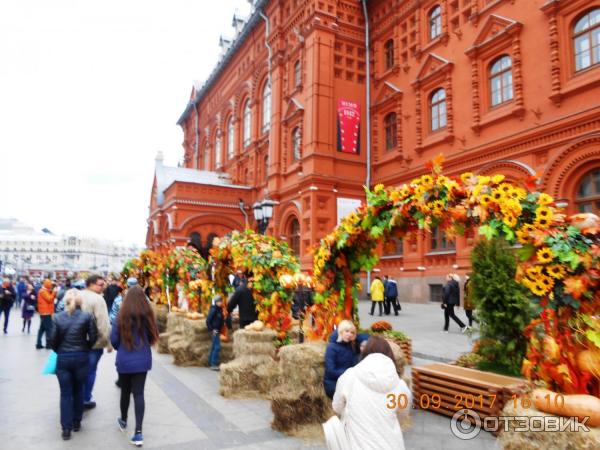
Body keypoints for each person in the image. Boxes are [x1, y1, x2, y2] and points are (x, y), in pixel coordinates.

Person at [330, 336, 412, 450]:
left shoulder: (349, 376)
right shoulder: (400, 386)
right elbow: (402, 415)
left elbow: (337, 407)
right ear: (390, 356)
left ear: (364, 353)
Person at [47, 289, 98, 441]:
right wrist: (85, 347)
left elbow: (52, 341)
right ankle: (77, 421)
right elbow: (94, 337)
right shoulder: (87, 316)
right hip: (81, 357)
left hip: (63, 358)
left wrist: (60, 350)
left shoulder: (57, 317)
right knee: (78, 390)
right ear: (80, 301)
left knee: (65, 393)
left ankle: (66, 428)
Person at [111, 286, 159, 448]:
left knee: (125, 391)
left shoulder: (121, 316)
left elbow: (114, 340)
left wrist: (122, 348)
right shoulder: (148, 316)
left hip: (124, 360)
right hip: (142, 360)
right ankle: (138, 433)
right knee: (139, 394)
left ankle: (123, 420)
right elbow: (154, 336)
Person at [80, 274, 112, 409]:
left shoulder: (76, 295)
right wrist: (108, 342)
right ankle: (86, 398)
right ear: (91, 284)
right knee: (90, 370)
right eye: (100, 284)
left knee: (79, 370)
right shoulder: (98, 299)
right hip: (94, 342)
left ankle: (76, 396)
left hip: (76, 341)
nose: (103, 287)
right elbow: (103, 323)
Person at [324, 320, 362, 398]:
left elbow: (355, 365)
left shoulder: (352, 346)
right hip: (333, 383)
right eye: (347, 331)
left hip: (349, 381)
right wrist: (349, 373)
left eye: (352, 332)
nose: (349, 334)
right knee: (354, 395)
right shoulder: (331, 347)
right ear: (340, 332)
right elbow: (331, 370)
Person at [36, 279, 57, 348]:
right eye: (50, 284)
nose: (51, 286)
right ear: (47, 284)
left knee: (42, 329)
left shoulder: (44, 290)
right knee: (49, 329)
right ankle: (48, 344)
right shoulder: (42, 291)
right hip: (46, 312)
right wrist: (54, 292)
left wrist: (52, 292)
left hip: (45, 312)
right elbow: (49, 299)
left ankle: (38, 344)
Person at [206, 295, 225, 370]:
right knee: (217, 347)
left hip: (218, 330)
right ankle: (213, 363)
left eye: (221, 301)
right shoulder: (214, 309)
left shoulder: (219, 309)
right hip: (215, 330)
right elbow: (208, 320)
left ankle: (210, 362)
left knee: (214, 346)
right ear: (216, 302)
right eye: (219, 301)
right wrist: (212, 329)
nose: (220, 303)